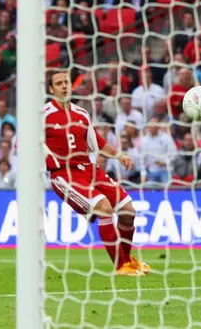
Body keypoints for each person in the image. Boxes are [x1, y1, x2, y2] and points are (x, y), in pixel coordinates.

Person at [44, 71, 151, 276]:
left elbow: (97, 143)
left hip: (88, 169)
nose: (64, 86)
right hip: (64, 175)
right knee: (104, 208)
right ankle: (121, 266)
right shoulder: (44, 115)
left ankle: (128, 261)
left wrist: (119, 155)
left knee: (128, 211)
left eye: (66, 82)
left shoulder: (81, 114)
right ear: (51, 89)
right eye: (59, 83)